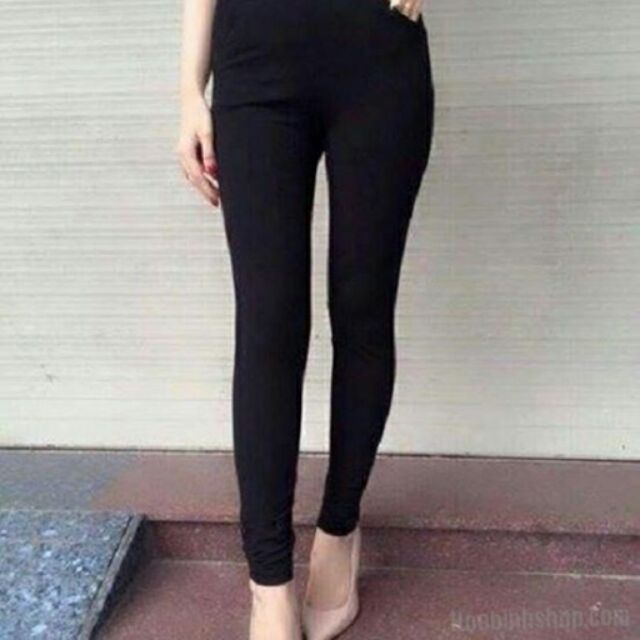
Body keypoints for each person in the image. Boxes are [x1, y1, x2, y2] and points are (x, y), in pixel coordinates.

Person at [176, 0, 434, 637]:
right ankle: (268, 580)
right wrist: (188, 91)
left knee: (362, 309)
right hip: (255, 60)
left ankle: (339, 531)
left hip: (378, 56)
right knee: (268, 324)